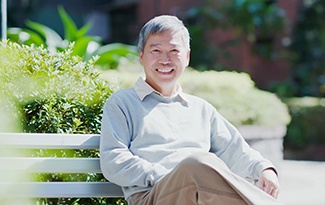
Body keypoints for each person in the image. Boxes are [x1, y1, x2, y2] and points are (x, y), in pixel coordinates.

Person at [100, 15, 281, 205]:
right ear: (142, 56)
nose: (165, 59)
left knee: (200, 166)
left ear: (186, 57)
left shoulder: (201, 109)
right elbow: (114, 159)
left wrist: (264, 169)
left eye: (174, 51)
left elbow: (235, 149)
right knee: (197, 164)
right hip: (152, 196)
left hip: (200, 196)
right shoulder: (122, 103)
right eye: (156, 50)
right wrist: (167, 175)